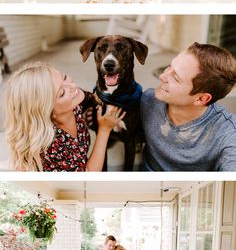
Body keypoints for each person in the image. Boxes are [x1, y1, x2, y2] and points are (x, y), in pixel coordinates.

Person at [5, 62, 125, 171]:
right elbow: (88, 176)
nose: (72, 86)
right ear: (47, 112)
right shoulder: (52, 146)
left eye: (65, 77)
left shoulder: (73, 103)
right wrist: (105, 129)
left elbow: (92, 97)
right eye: (62, 93)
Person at [140, 42, 236, 171]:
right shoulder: (148, 101)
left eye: (176, 78)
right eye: (169, 66)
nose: (162, 76)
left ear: (201, 98)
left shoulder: (227, 133)